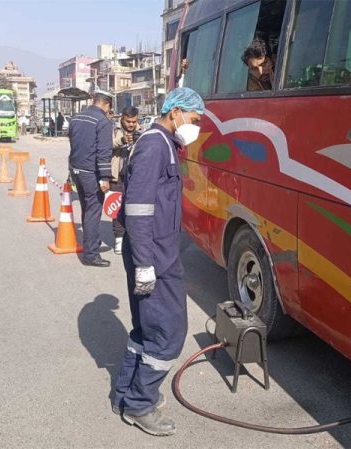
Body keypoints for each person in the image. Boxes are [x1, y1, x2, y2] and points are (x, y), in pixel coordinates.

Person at [112, 87, 204, 436]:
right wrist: (146, 264)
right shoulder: (154, 145)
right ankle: (139, 404)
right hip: (155, 257)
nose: (195, 127)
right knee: (168, 333)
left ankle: (126, 393)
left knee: (146, 329)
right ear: (176, 111)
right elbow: (137, 208)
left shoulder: (163, 142)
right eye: (194, 120)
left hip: (155, 252)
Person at [68, 92, 114, 267]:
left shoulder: (76, 118)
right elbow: (104, 152)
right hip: (90, 173)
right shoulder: (103, 122)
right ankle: (91, 254)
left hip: (76, 170)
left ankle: (90, 243)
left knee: (87, 210)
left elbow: (73, 144)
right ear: (107, 105)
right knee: (93, 212)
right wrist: (104, 178)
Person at [110, 106, 141, 255]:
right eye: (128, 121)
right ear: (122, 118)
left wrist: (138, 141)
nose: (131, 124)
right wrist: (122, 140)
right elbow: (107, 146)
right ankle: (118, 239)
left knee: (132, 209)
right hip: (116, 177)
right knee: (116, 209)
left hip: (133, 177)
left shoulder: (142, 132)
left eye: (134, 121)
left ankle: (132, 239)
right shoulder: (114, 130)